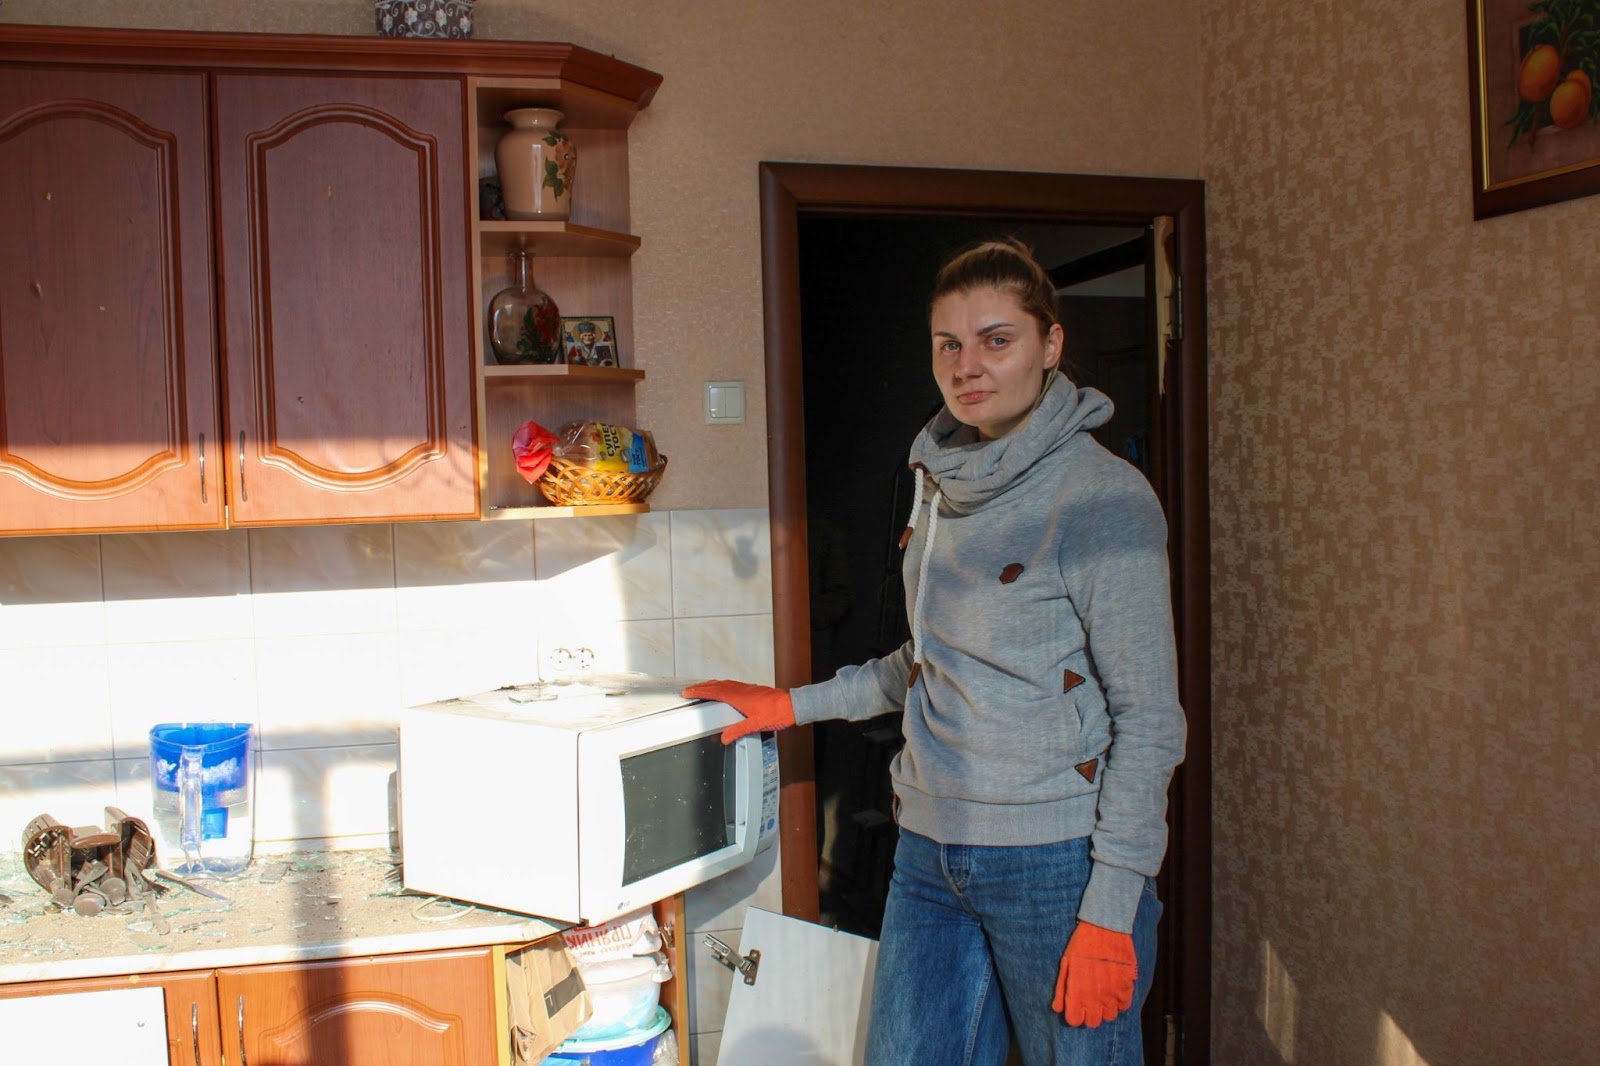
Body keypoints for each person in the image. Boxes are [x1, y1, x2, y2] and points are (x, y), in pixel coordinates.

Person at [684, 237, 1186, 1065]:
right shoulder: (941, 480)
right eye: (948, 345)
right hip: (929, 854)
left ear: (1050, 345)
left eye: (997, 339)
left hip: (1058, 863)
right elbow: (927, 659)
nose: (967, 365)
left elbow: (1150, 720)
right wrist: (790, 705)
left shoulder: (1102, 500)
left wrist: (1110, 908)